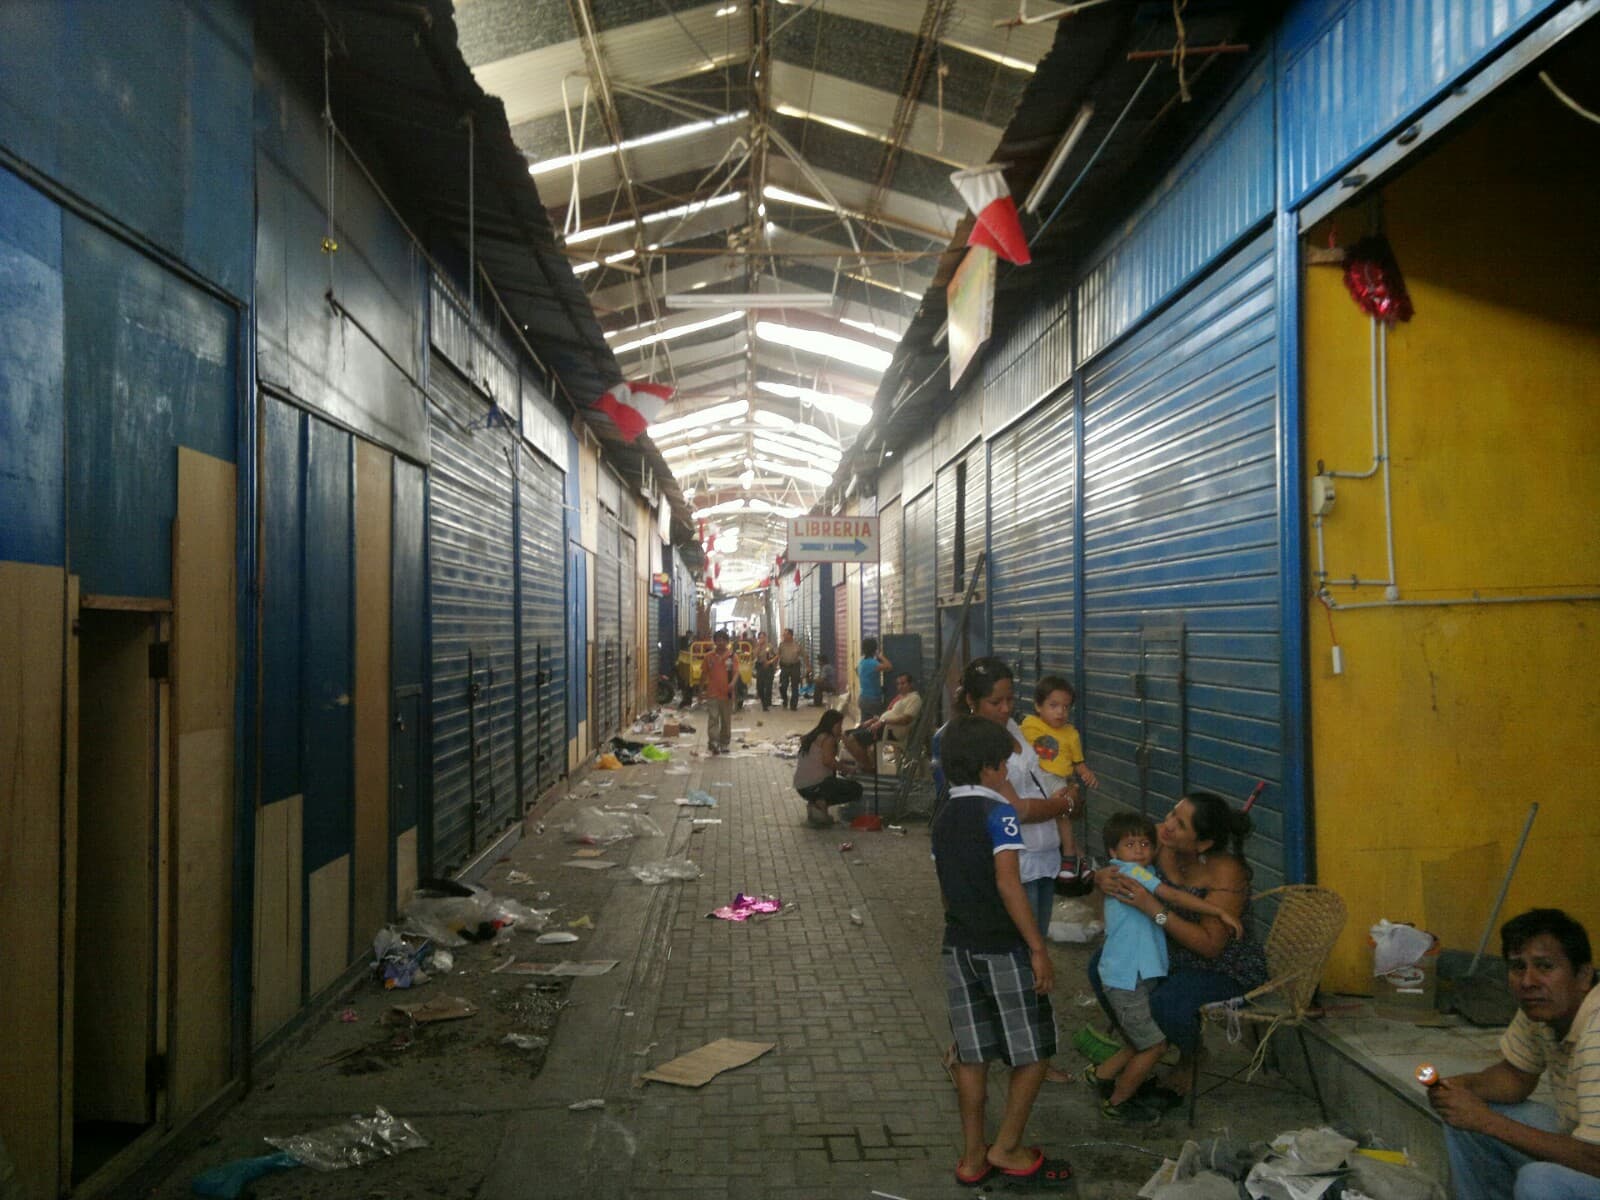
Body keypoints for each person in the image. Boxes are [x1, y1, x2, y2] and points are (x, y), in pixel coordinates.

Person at [932, 714, 1075, 1190]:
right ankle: (1007, 1146)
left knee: (972, 1055)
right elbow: (1009, 883)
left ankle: (973, 1157)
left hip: (958, 946)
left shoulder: (943, 812)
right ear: (991, 768)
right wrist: (1037, 947)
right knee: (1034, 1051)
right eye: (1005, 767)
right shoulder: (1001, 814)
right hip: (1002, 947)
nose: (1007, 774)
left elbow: (947, 891)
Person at [1090, 791, 1268, 1102]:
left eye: (1180, 824)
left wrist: (1153, 909)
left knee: (1166, 1001)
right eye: (1172, 813)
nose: (1167, 825)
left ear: (1202, 844)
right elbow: (1117, 857)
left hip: (1222, 964)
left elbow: (1211, 946)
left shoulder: (1226, 870)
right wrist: (1102, 877)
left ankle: (1190, 1055)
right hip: (1168, 949)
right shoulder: (1158, 838)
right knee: (1101, 968)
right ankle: (1142, 1040)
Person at [959, 656, 1079, 1085]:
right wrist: (1063, 805)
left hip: (1042, 857)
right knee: (1022, 958)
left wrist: (1063, 800)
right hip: (1013, 863)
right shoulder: (970, 743)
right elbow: (1015, 807)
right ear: (972, 701)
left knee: (1033, 960)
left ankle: (1032, 1055)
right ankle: (992, 1056)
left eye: (1010, 698)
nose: (1005, 708)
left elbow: (1041, 782)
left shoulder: (1017, 731)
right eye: (995, 701)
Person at [1429, 908, 1600, 1200]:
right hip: (1584, 1145)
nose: (1528, 981)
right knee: (1463, 1114)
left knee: (1539, 1181)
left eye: (1545, 967)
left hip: (1593, 1156)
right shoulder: (1543, 1007)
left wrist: (1484, 1119)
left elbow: (1594, 1158)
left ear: (1583, 976)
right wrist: (1461, 1088)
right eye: (1518, 967)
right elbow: (1517, 1076)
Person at [1018, 675, 1098, 881]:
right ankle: (1082, 861)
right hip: (1035, 778)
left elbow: (1078, 762)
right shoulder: (1028, 725)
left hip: (1056, 779)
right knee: (1053, 821)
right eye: (1053, 705)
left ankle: (1070, 856)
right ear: (1038, 705)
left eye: (1066, 707)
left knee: (1061, 813)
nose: (1060, 712)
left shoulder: (1071, 733)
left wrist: (1086, 774)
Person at [792, 709, 862, 827]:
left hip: (801, 785)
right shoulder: (827, 739)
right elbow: (828, 761)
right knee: (856, 789)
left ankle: (816, 804)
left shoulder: (814, 735)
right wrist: (848, 769)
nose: (841, 729)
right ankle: (820, 801)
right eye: (839, 725)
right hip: (815, 785)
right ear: (832, 724)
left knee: (834, 780)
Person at [843, 671, 921, 771]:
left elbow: (906, 719)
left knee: (852, 738)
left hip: (891, 730)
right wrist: (874, 720)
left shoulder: (914, 698)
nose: (900, 686)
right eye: (898, 684)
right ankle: (868, 764)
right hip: (882, 725)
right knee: (845, 735)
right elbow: (889, 714)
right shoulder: (901, 698)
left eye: (903, 683)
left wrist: (883, 721)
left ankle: (868, 767)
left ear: (911, 684)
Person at [699, 630, 735, 755]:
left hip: (727, 694)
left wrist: (732, 684)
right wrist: (700, 690)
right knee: (713, 718)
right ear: (714, 642)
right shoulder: (709, 657)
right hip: (712, 693)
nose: (720, 643)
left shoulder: (732, 656)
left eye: (723, 640)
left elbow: (736, 673)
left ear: (727, 642)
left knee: (725, 720)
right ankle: (714, 742)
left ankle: (724, 742)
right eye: (718, 640)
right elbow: (703, 674)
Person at [856, 637, 892, 720]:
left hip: (862, 699)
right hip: (872, 701)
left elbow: (857, 671)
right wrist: (880, 656)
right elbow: (889, 667)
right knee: (878, 723)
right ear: (875, 649)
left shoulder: (861, 662)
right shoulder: (873, 663)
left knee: (865, 725)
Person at [777, 628, 809, 710]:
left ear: (790, 635)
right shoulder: (781, 645)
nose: (784, 636)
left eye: (786, 634)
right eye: (783, 634)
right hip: (784, 667)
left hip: (795, 666)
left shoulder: (797, 645)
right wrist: (774, 666)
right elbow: (777, 656)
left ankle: (793, 705)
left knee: (795, 685)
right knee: (783, 685)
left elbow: (805, 656)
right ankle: (785, 699)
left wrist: (808, 667)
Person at [754, 632, 777, 711]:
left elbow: (776, 656)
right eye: (760, 638)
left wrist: (772, 664)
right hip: (760, 667)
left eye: (763, 637)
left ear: (766, 637)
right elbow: (755, 655)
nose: (761, 639)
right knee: (760, 686)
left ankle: (766, 704)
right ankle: (763, 701)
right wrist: (759, 646)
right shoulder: (757, 646)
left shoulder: (770, 646)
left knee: (768, 686)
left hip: (769, 667)